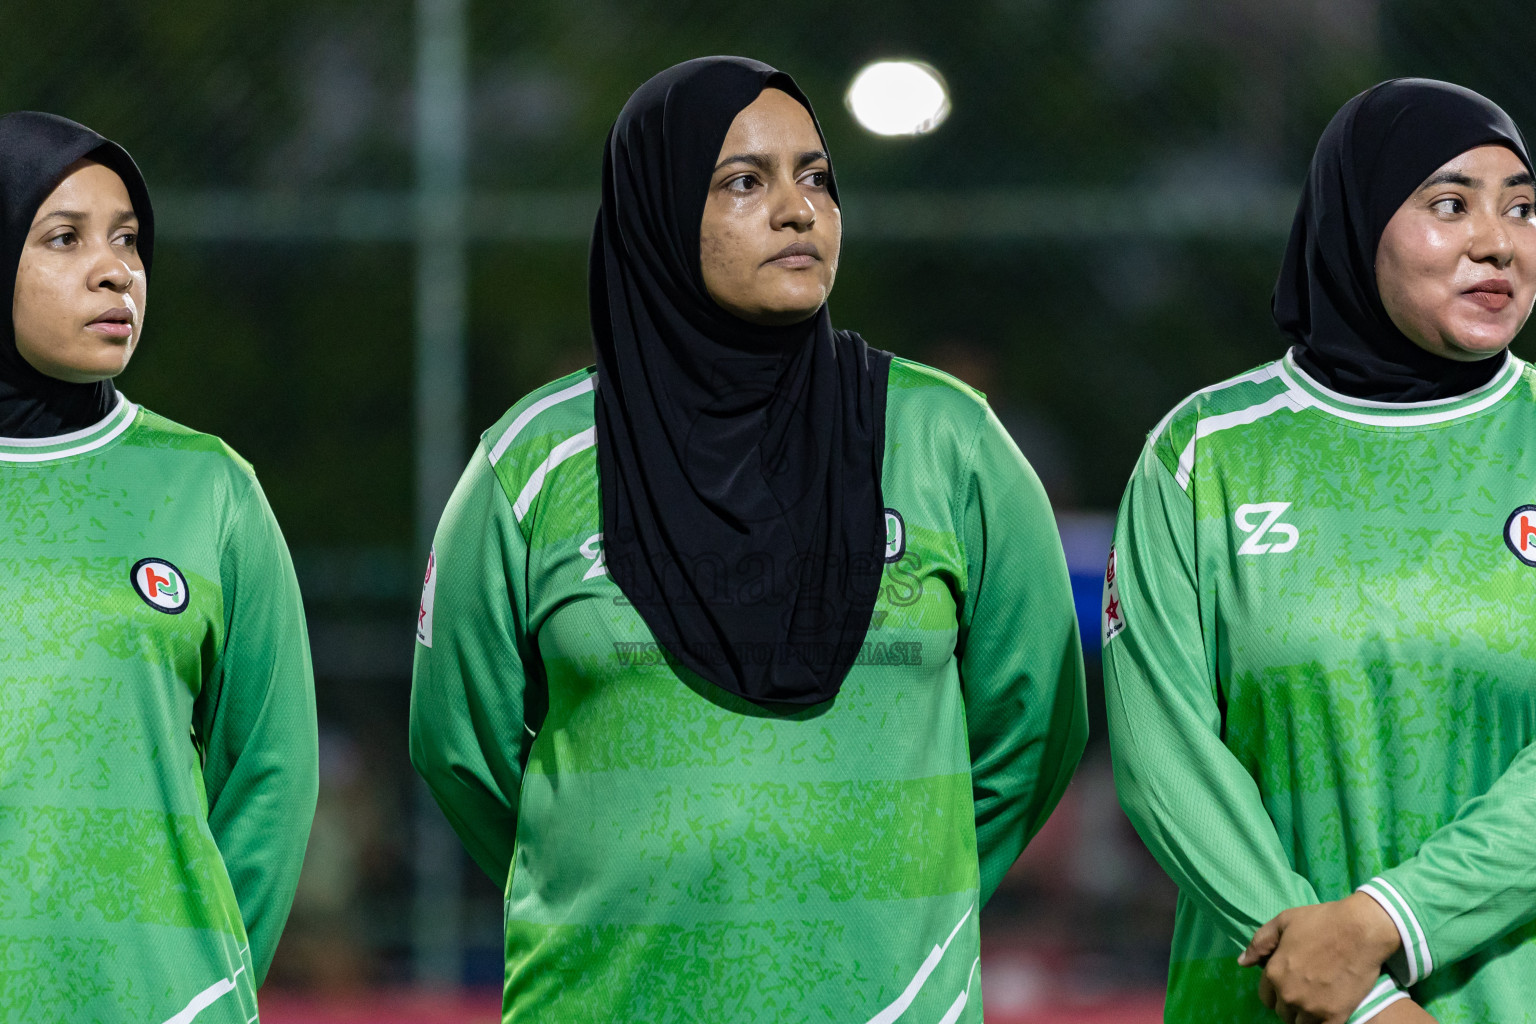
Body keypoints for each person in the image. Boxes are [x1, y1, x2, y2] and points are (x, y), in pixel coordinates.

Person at [410, 56, 1087, 1022]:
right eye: (743, 182)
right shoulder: (531, 463)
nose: (798, 210)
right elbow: (459, 746)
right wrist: (609, 879)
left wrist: (893, 882)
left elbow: (1036, 723)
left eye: (816, 177)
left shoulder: (950, 440)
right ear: (657, 208)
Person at [1103, 78, 1536, 1024]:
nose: (1498, 241)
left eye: (1523, 208)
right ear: (1356, 219)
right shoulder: (1204, 452)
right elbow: (1162, 753)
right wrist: (1360, 998)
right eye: (1450, 204)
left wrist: (1393, 920)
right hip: (1267, 1003)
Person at [0, 112, 317, 1021]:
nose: (117, 270)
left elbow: (272, 767)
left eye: (129, 239)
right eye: (65, 238)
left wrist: (205, 979)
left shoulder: (208, 486)